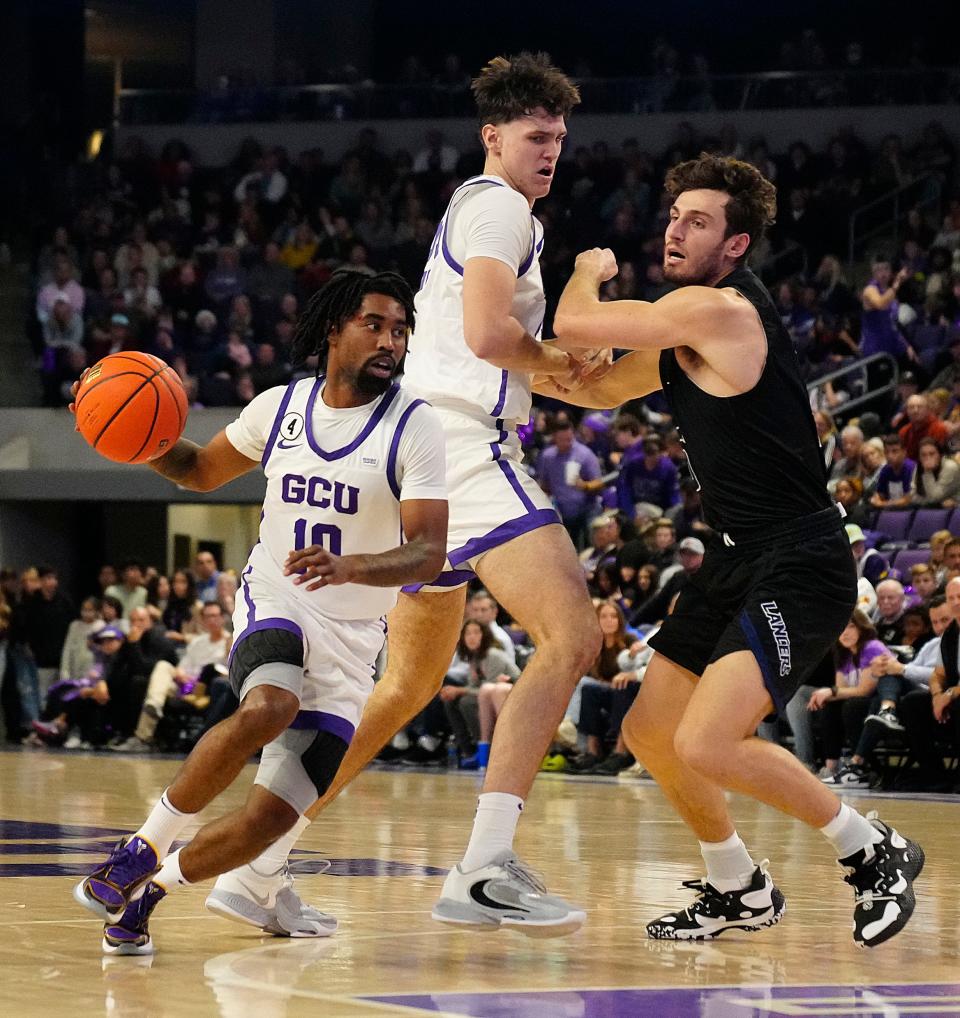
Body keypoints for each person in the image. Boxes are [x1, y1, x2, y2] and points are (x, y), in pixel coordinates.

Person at [209, 53, 598, 936]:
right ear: (492, 136)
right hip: (459, 445)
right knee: (572, 634)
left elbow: (496, 342)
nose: (551, 152)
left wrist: (558, 371)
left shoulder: (480, 208)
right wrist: (557, 362)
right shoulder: (500, 206)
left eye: (561, 139)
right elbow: (490, 333)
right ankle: (484, 866)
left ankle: (260, 865)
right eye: (537, 136)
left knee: (408, 684)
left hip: (418, 447)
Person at [544, 151, 922, 947]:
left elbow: (576, 325)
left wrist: (585, 269)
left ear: (736, 245)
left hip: (802, 558)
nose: (676, 230)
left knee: (708, 741)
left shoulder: (720, 313)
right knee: (649, 731)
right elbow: (590, 383)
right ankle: (737, 885)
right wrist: (472, 359)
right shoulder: (683, 326)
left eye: (699, 222)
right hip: (735, 557)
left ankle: (871, 849)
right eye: (674, 216)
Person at [71, 269, 448, 954]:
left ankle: (151, 893)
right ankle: (140, 848)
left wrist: (354, 567)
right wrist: (123, 434)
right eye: (376, 324)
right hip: (278, 598)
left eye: (401, 330)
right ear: (334, 328)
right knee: (269, 705)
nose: (391, 340)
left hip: (354, 638)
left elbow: (426, 552)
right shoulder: (282, 409)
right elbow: (198, 470)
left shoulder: (416, 425)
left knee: (266, 822)